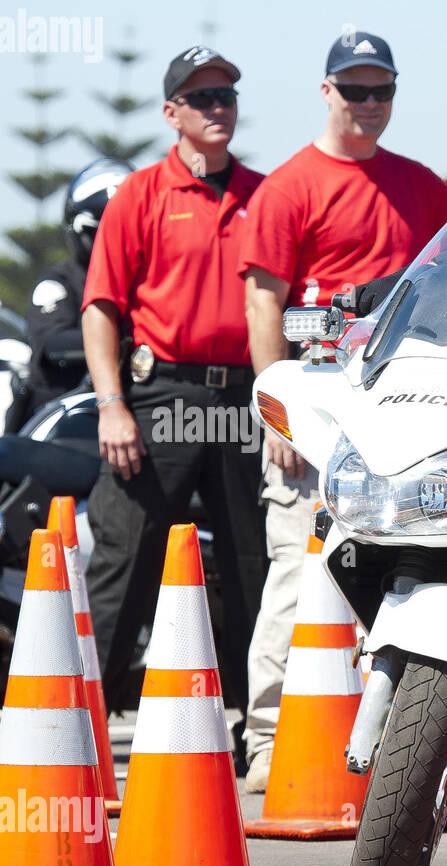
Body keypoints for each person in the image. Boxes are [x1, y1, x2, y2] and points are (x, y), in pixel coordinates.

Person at [239, 31, 447, 791]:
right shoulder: (289, 186)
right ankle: (271, 740)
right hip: (319, 410)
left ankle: (392, 747)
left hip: (403, 413)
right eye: (354, 90)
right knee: (297, 576)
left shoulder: (423, 186)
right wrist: (278, 411)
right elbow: (263, 300)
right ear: (325, 91)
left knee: (399, 574)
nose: (370, 105)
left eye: (383, 91)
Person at [81, 47, 267, 752]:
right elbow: (100, 307)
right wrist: (111, 405)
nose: (218, 107)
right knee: (123, 562)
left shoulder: (264, 193)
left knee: (254, 566)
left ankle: (260, 729)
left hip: (244, 398)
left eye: (226, 95)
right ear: (172, 114)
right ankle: (72, 725)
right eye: (202, 98)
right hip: (162, 396)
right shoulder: (139, 195)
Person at [16, 158, 133, 428]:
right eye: (100, 232)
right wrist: (132, 341)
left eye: (125, 231)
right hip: (65, 417)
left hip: (137, 409)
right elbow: (54, 343)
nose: (113, 243)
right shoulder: (57, 283)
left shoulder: (149, 284)